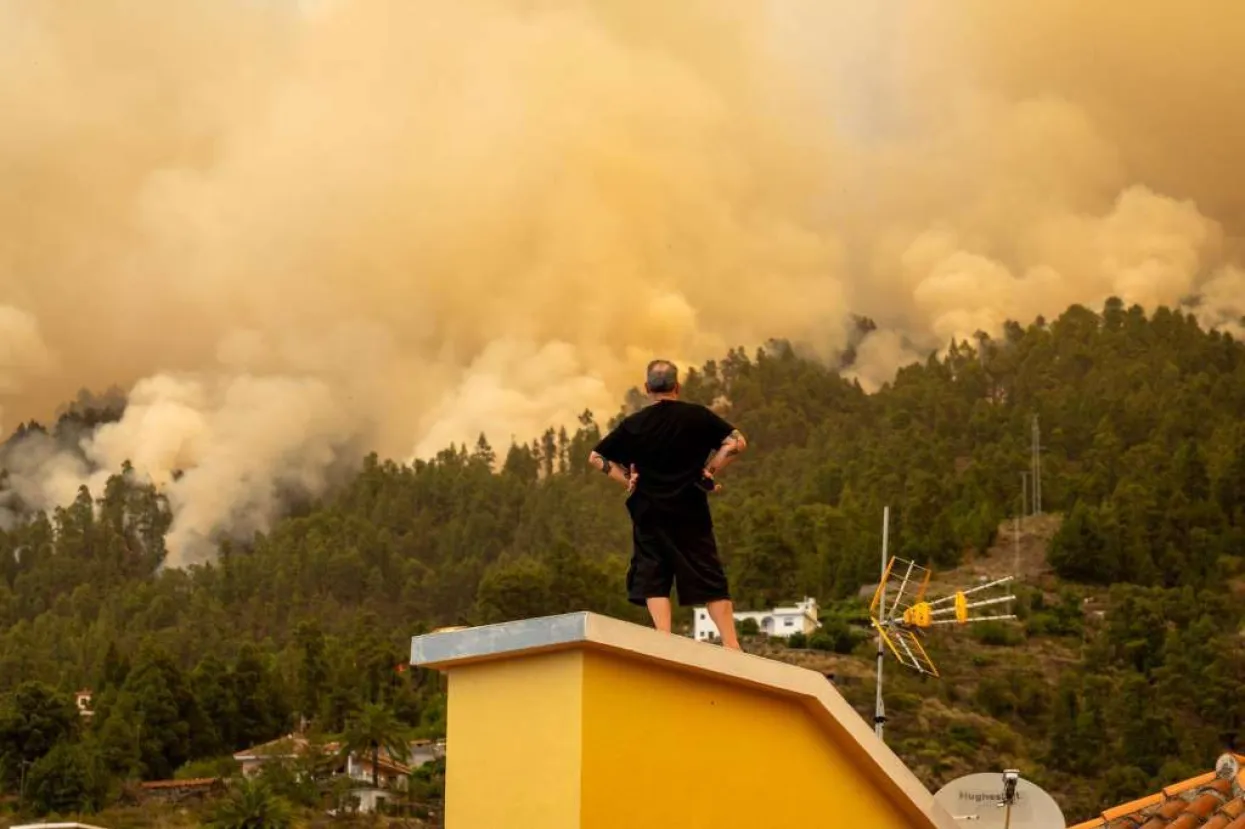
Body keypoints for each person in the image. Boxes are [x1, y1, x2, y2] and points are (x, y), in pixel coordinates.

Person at [588, 359, 748, 649]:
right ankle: (731, 643)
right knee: (708, 573)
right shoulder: (697, 417)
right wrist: (710, 470)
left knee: (653, 573)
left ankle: (663, 638)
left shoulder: (633, 425)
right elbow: (736, 442)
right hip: (691, 509)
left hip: (649, 511)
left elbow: (597, 458)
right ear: (677, 386)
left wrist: (627, 480)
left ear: (647, 388)